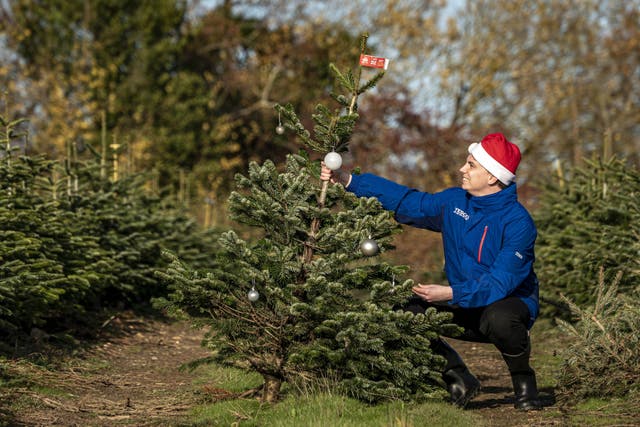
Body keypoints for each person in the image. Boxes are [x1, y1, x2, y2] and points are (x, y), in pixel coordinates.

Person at [320, 133, 542, 411]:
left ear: (492, 177)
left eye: (471, 165)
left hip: (507, 303)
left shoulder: (519, 223)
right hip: (464, 298)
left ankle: (524, 382)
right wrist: (349, 181)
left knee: (500, 318)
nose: (463, 169)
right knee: (407, 309)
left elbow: (501, 282)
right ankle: (458, 378)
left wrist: (450, 292)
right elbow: (408, 201)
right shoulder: (454, 202)